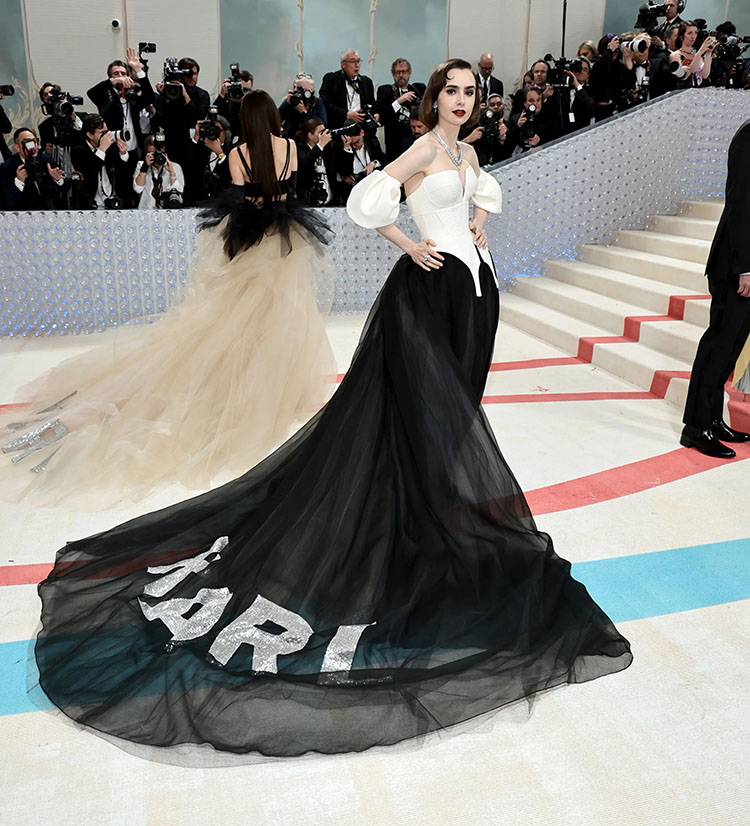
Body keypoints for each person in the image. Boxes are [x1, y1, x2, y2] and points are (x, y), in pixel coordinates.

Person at [33, 59, 631, 758]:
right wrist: (411, 243)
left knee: (453, 418)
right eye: (452, 92)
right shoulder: (421, 150)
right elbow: (366, 201)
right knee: (415, 417)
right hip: (427, 298)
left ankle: (428, 517)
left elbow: (480, 200)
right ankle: (399, 529)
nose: (463, 102)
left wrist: (476, 230)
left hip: (478, 295)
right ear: (434, 98)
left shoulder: (469, 152)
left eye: (472, 93)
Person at [0, 91, 335, 506]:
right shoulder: (290, 148)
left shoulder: (237, 154)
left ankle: (240, 386)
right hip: (285, 243)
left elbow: (237, 205)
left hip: (251, 244)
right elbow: (289, 191)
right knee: (284, 317)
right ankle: (274, 390)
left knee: (234, 322)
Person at [681, 119, 750, 458]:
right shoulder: (748, 136)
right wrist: (745, 267)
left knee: (731, 349)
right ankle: (696, 428)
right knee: (718, 346)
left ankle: (713, 417)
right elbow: (740, 207)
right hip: (735, 267)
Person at [153, 57, 210, 167]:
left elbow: (198, 116)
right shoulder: (170, 93)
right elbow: (164, 120)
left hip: (194, 144)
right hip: (173, 143)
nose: (193, 78)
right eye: (189, 74)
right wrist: (164, 97)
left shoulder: (202, 95)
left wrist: (185, 95)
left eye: (195, 74)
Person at [70, 114, 132, 209]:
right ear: (90, 135)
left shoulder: (112, 147)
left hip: (114, 202)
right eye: (101, 133)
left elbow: (123, 175)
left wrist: (123, 154)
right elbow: (89, 174)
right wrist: (102, 149)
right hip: (91, 204)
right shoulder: (78, 151)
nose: (106, 136)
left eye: (106, 132)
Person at [0, 127, 68, 210]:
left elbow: (65, 188)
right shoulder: (8, 166)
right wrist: (19, 182)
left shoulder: (47, 160)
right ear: (17, 147)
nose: (32, 147)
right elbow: (8, 202)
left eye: (34, 142)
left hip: (48, 212)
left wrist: (58, 180)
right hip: (22, 215)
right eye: (27, 143)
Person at [376, 58, 425, 162]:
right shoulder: (385, 91)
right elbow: (382, 117)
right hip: (394, 144)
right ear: (393, 74)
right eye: (398, 72)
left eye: (404, 72)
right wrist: (399, 101)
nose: (401, 75)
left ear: (409, 72)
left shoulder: (418, 89)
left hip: (416, 141)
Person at [328, 120, 385, 205]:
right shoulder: (340, 148)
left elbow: (385, 160)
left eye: (356, 141)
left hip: (372, 188)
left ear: (361, 133)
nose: (350, 139)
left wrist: (374, 163)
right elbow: (344, 172)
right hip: (351, 192)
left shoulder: (372, 142)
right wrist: (347, 148)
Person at [319, 48, 377, 130]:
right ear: (343, 64)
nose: (357, 65)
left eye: (358, 61)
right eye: (353, 62)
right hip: (339, 127)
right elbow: (324, 103)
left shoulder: (366, 82)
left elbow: (372, 104)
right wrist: (346, 114)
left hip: (362, 129)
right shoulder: (332, 79)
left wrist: (375, 114)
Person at [132, 132, 185, 209]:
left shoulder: (175, 167)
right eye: (153, 153)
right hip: (146, 212)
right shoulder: (141, 166)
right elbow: (137, 189)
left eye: (158, 152)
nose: (156, 156)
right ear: (147, 153)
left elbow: (179, 191)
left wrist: (171, 172)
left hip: (168, 212)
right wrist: (145, 167)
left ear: (163, 149)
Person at [295, 117, 333, 205]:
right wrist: (320, 145)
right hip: (308, 199)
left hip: (329, 198)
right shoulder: (299, 148)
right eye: (320, 132)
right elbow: (305, 162)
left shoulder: (328, 148)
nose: (324, 135)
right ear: (310, 135)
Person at [279, 73, 327, 140]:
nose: (302, 94)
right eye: (299, 90)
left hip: (309, 142)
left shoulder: (317, 102)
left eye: (306, 91)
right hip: (291, 139)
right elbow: (275, 120)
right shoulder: (289, 102)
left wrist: (304, 112)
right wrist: (286, 103)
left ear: (312, 91)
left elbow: (323, 124)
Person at [669, 21, 717, 87]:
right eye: (689, 33)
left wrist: (708, 53)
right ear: (682, 36)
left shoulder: (697, 56)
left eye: (695, 33)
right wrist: (700, 52)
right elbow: (689, 73)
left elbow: (705, 75)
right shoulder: (675, 55)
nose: (693, 36)